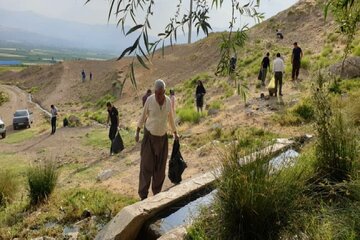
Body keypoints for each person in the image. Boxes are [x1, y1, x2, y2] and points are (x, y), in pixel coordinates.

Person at [135, 79, 178, 200]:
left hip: (162, 139)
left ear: (164, 91)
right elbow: (143, 116)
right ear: (155, 91)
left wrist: (175, 132)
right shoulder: (149, 100)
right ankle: (143, 196)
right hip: (149, 138)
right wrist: (137, 131)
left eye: (161, 93)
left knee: (160, 167)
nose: (159, 96)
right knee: (146, 166)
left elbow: (171, 118)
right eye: (157, 93)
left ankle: (156, 194)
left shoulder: (168, 101)